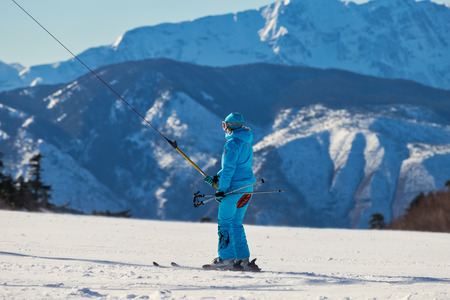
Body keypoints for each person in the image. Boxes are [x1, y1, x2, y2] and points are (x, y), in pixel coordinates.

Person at [204, 112, 260, 271]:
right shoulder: (247, 142)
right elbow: (238, 168)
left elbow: (229, 169)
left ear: (227, 126)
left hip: (233, 189)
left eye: (224, 125)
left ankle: (226, 259)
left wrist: (221, 189)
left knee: (225, 223)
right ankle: (243, 259)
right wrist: (217, 177)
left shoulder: (232, 144)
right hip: (247, 188)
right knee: (236, 223)